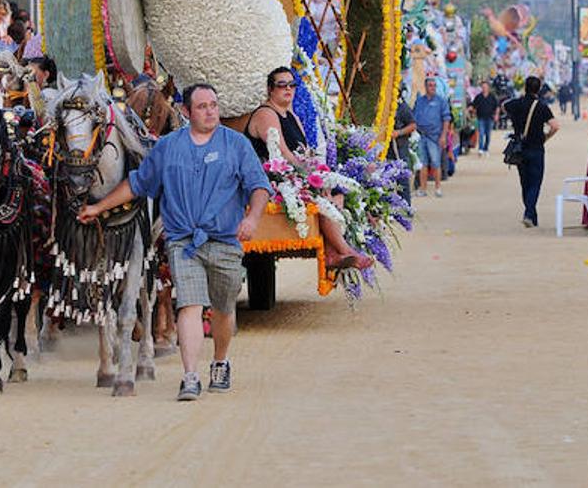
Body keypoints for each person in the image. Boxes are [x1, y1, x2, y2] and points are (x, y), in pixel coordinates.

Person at [77, 83, 269, 402]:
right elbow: (137, 184)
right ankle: (190, 376)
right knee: (189, 306)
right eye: (202, 106)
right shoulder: (168, 147)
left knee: (222, 310)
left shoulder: (236, 145)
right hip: (184, 242)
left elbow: (258, 185)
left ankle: (220, 361)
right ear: (186, 112)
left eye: (213, 105)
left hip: (225, 240)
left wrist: (253, 218)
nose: (210, 111)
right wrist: (98, 207)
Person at [244, 67, 371, 269]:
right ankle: (345, 250)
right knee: (319, 192)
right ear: (270, 89)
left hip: (293, 172)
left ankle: (331, 252)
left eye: (292, 85)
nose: (288, 89)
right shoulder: (265, 114)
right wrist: (310, 175)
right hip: (272, 175)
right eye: (281, 85)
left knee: (337, 191)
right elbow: (281, 153)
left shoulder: (292, 115)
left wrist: (318, 172)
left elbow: (306, 152)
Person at [504, 76, 559, 228]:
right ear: (539, 89)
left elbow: (504, 106)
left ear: (525, 88)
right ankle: (529, 213)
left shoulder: (516, 104)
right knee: (535, 182)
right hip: (536, 148)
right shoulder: (542, 107)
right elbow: (555, 126)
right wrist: (545, 137)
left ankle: (532, 215)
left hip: (520, 148)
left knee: (525, 182)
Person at [412, 78, 452, 198]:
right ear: (425, 87)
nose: (432, 87)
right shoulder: (420, 101)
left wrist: (443, 136)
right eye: (430, 85)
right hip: (421, 135)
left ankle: (438, 188)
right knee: (422, 163)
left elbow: (446, 119)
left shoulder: (441, 101)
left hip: (435, 137)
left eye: (434, 85)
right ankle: (423, 189)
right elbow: (414, 116)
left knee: (435, 163)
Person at [387, 87, 417, 206]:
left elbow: (413, 125)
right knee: (387, 180)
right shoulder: (385, 107)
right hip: (387, 151)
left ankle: (405, 208)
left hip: (400, 149)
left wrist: (398, 133)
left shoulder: (402, 107)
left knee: (402, 179)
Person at [470, 81, 499, 156]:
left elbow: (497, 107)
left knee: (488, 135)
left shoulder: (492, 97)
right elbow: (473, 106)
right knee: (481, 133)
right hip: (481, 118)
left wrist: (496, 115)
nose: (484, 88)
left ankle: (486, 148)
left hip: (490, 118)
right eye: (483, 87)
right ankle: (480, 148)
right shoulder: (478, 97)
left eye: (485, 87)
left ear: (488, 88)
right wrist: (472, 112)